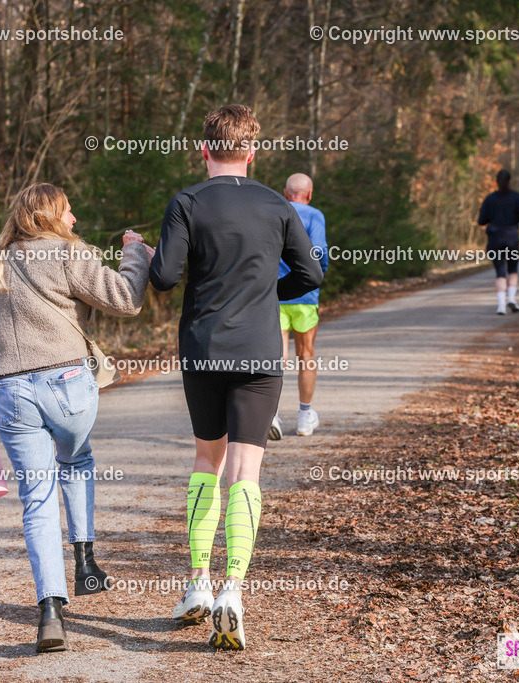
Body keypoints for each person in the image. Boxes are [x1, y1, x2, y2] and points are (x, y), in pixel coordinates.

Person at [149, 105, 322, 651]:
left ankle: (197, 583)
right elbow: (312, 272)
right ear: (252, 152)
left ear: (204, 151)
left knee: (206, 463)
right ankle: (232, 592)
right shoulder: (277, 203)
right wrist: (270, 294)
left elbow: (163, 277)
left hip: (203, 350)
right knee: (246, 472)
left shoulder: (187, 203)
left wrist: (142, 252)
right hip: (259, 351)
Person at [0, 183, 153, 653]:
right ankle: (86, 564)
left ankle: (50, 611)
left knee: (36, 498)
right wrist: (135, 253)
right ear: (51, 216)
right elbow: (127, 299)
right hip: (67, 386)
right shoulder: (69, 253)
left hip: (8, 391)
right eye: (69, 212)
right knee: (76, 458)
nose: (74, 220)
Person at [269, 173, 328, 439]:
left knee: (275, 358)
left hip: (276, 295)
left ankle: (272, 416)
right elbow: (319, 251)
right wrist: (317, 277)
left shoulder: (274, 212)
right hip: (305, 296)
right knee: (306, 355)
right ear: (310, 193)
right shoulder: (315, 215)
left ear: (285, 192)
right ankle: (305, 417)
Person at [477, 169, 519, 314]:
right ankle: (511, 298)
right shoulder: (517, 198)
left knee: (500, 272)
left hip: (495, 238)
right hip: (511, 237)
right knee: (513, 270)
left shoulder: (490, 199)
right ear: (510, 181)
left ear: (496, 182)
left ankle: (501, 306)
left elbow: (481, 220)